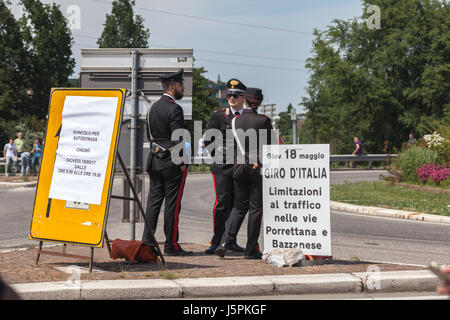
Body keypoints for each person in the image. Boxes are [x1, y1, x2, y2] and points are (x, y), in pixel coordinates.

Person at [215, 88, 273, 259]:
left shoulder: (235, 121)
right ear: (260, 102)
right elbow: (268, 147)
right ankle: (250, 250)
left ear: (245, 101)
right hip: (256, 166)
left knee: (238, 207)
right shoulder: (264, 121)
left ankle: (225, 242)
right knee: (255, 209)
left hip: (239, 165)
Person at [142, 68, 192, 256]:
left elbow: (150, 136)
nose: (183, 88)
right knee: (172, 205)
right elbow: (178, 138)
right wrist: (182, 163)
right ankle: (171, 245)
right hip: (172, 164)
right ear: (172, 87)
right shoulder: (175, 109)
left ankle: (147, 243)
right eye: (181, 85)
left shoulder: (152, 107)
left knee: (153, 203)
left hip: (154, 161)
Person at [203, 78, 247, 255]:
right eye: (230, 94)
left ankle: (230, 241)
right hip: (222, 166)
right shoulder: (219, 115)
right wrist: (219, 156)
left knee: (237, 204)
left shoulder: (247, 117)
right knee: (222, 203)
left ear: (243, 97)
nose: (232, 97)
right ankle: (216, 241)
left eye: (236, 95)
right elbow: (208, 140)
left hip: (240, 167)